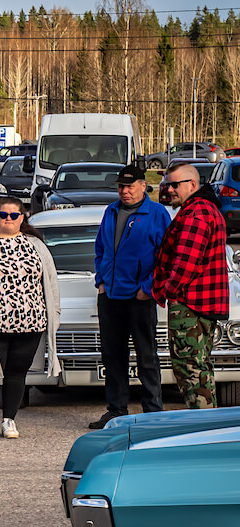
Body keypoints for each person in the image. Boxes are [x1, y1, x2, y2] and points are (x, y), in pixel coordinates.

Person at [0, 196, 61, 439]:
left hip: (31, 323)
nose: (8, 219)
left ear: (22, 218)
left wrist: (53, 313)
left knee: (17, 374)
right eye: (3, 214)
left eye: (13, 215)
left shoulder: (36, 245)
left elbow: (51, 282)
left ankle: (9, 420)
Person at [88, 165, 172, 429]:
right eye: (121, 187)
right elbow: (100, 248)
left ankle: (152, 413)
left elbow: (165, 257)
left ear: (143, 186)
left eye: (130, 186)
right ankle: (116, 410)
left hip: (139, 298)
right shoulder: (111, 211)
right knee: (113, 355)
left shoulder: (157, 214)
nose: (125, 191)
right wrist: (100, 280)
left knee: (146, 356)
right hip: (110, 296)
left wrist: (147, 288)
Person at [152, 163, 228, 408]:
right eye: (167, 185)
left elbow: (186, 263)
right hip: (199, 303)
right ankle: (208, 426)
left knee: (190, 371)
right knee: (200, 368)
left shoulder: (196, 213)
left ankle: (203, 428)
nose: (170, 190)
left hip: (191, 305)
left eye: (175, 185)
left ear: (192, 185)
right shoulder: (203, 210)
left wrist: (168, 291)